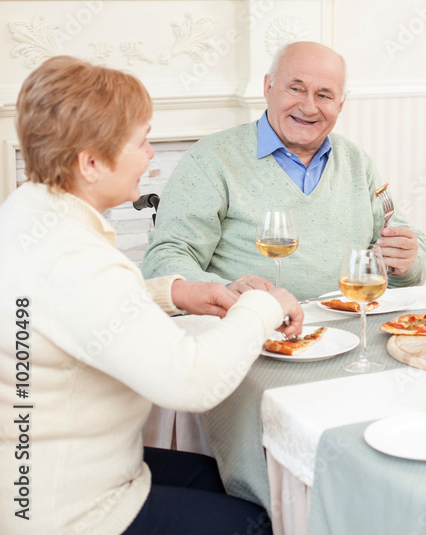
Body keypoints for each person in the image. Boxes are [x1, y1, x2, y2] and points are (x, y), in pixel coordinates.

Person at [0, 56, 304, 534]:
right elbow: (192, 382)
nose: (150, 156)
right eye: (140, 141)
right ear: (92, 163)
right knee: (256, 518)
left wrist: (175, 292)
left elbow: (72, 309)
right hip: (68, 512)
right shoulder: (76, 260)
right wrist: (263, 306)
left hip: (36, 478)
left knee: (234, 477)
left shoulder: (28, 214)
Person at [142, 41, 426, 298]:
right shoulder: (211, 159)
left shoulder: (356, 162)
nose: (308, 107)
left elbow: (412, 262)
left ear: (341, 104)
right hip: (247, 328)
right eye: (296, 88)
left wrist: (405, 263)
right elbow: (165, 260)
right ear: (268, 87)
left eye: (324, 95)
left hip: (348, 326)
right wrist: (224, 291)